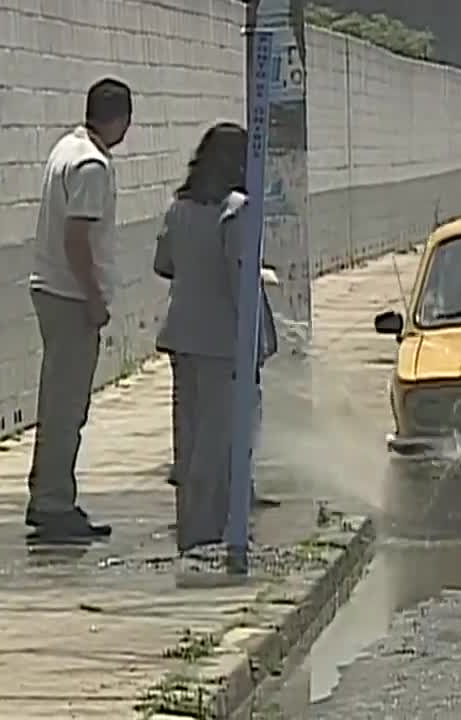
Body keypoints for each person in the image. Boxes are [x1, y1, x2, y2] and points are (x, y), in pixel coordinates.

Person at [152, 122, 279, 551]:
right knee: (222, 441)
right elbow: (239, 278)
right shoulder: (236, 209)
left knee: (188, 438)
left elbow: (163, 263)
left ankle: (192, 527)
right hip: (223, 341)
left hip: (182, 335)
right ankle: (216, 530)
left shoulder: (179, 206)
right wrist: (258, 341)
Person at [24, 77, 132, 541]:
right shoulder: (91, 165)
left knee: (59, 401)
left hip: (52, 290)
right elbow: (76, 239)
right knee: (67, 406)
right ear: (120, 119)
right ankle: (52, 503)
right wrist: (93, 297)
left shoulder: (66, 148)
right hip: (69, 296)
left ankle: (49, 495)